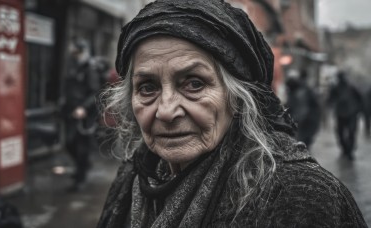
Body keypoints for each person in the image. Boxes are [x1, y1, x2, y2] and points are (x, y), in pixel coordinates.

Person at [97, 1, 367, 227]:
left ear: (238, 98)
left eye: (194, 84)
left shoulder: (301, 197)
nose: (166, 111)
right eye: (147, 87)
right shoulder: (133, 175)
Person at [62, 37, 100, 191]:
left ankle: (80, 178)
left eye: (78, 52)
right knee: (69, 144)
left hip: (85, 115)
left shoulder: (89, 69)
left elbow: (95, 93)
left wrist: (84, 107)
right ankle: (82, 166)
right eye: (74, 53)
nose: (76, 55)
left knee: (81, 147)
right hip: (72, 113)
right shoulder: (73, 67)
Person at [328, 71, 363, 160]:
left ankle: (349, 151)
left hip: (351, 113)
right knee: (340, 132)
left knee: (351, 132)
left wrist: (358, 109)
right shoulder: (335, 88)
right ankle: (345, 149)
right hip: (340, 113)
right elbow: (330, 99)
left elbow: (359, 98)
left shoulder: (352, 87)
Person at [285, 69, 321, 149]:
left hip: (306, 119)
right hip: (306, 119)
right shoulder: (304, 90)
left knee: (303, 140)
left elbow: (297, 108)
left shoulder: (300, 92)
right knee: (304, 141)